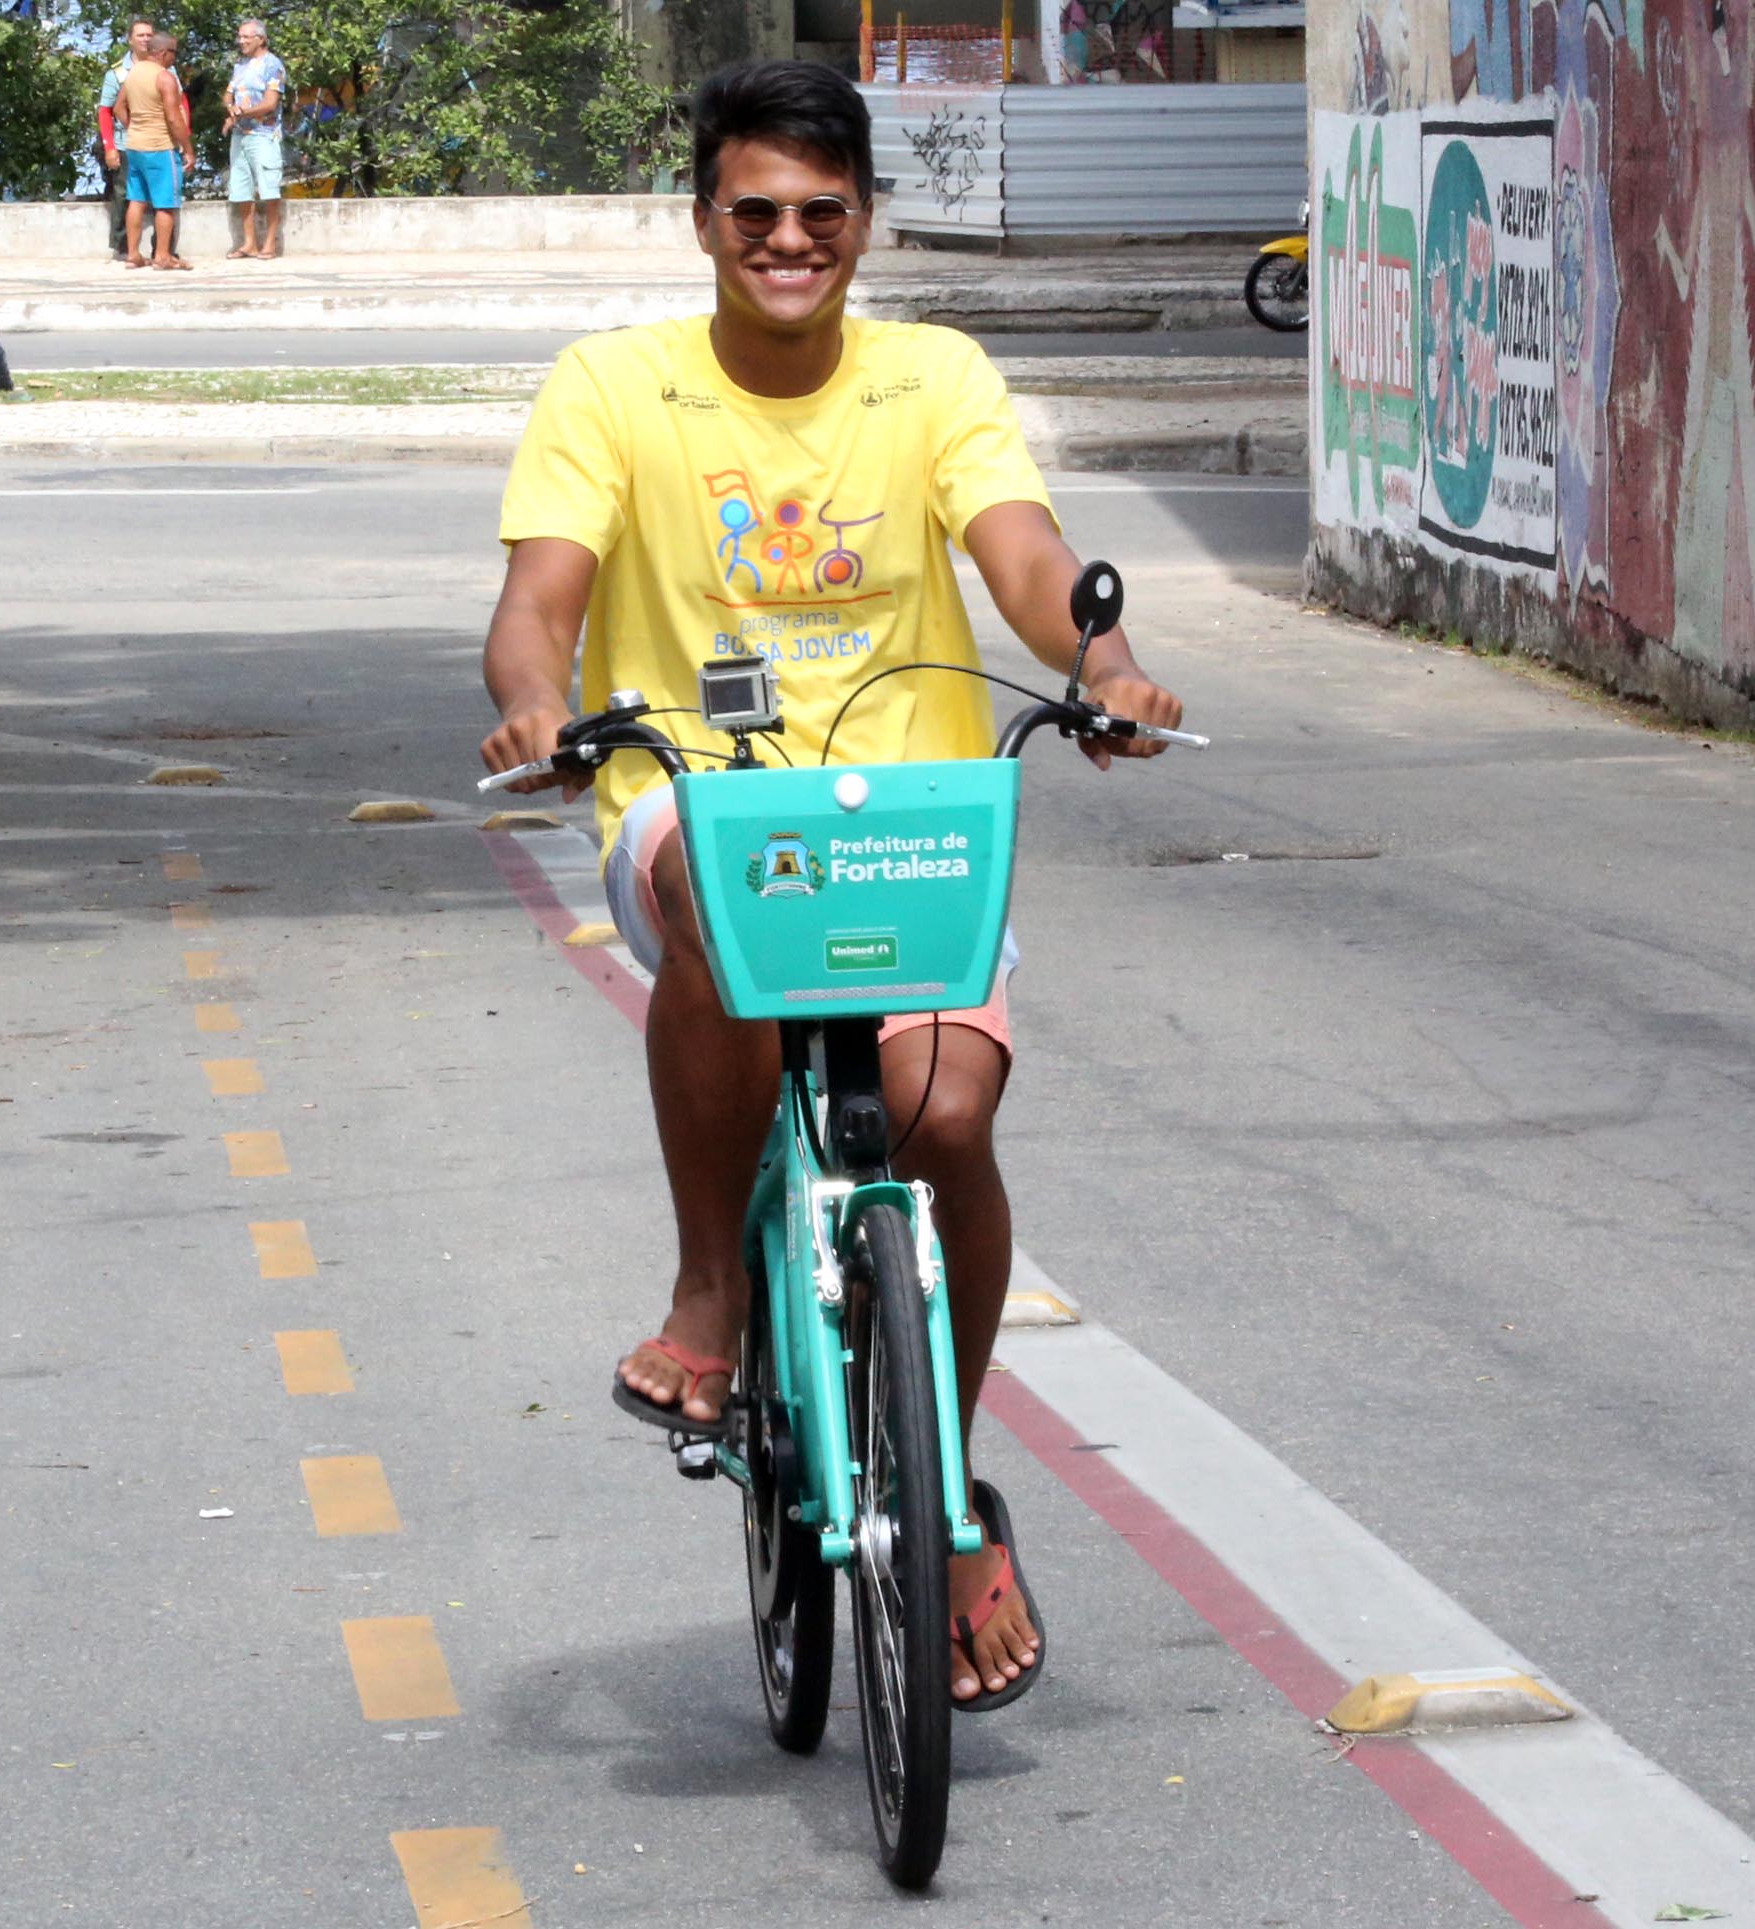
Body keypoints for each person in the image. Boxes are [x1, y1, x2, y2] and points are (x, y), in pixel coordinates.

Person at [477, 60, 1183, 1710]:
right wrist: (528, 701)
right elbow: (539, 598)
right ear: (703, 221)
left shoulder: (932, 378)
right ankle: (712, 1293)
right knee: (719, 916)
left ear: (863, 225)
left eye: (818, 213)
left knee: (941, 1120)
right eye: (753, 213)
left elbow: (1021, 553)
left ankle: (938, 1488)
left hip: (910, 813)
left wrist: (1108, 666)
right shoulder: (612, 387)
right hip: (694, 799)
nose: (785, 240)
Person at [116, 27, 194, 270]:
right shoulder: (165, 78)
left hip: (135, 146)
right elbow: (174, 118)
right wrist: (188, 149)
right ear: (162, 53)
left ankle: (132, 255)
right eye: (173, 53)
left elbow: (118, 108)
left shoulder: (134, 72)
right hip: (160, 147)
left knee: (136, 200)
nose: (174, 58)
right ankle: (162, 256)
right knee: (165, 203)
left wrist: (135, 127)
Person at [224, 18, 288, 261]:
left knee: (269, 189)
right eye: (240, 37)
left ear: (260, 38)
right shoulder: (240, 65)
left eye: (246, 37)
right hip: (241, 136)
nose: (241, 41)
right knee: (241, 189)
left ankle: (269, 242)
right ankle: (249, 242)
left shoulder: (273, 65)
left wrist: (243, 113)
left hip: (264, 135)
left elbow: (271, 103)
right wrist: (231, 109)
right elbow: (228, 95)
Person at [95, 17, 157, 261]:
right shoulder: (117, 72)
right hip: (126, 143)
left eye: (149, 35)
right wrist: (109, 146)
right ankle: (121, 247)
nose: (145, 39)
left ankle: (162, 248)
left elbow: (178, 102)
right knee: (123, 195)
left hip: (157, 142)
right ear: (130, 39)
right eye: (140, 35)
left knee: (161, 196)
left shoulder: (164, 66)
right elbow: (105, 111)